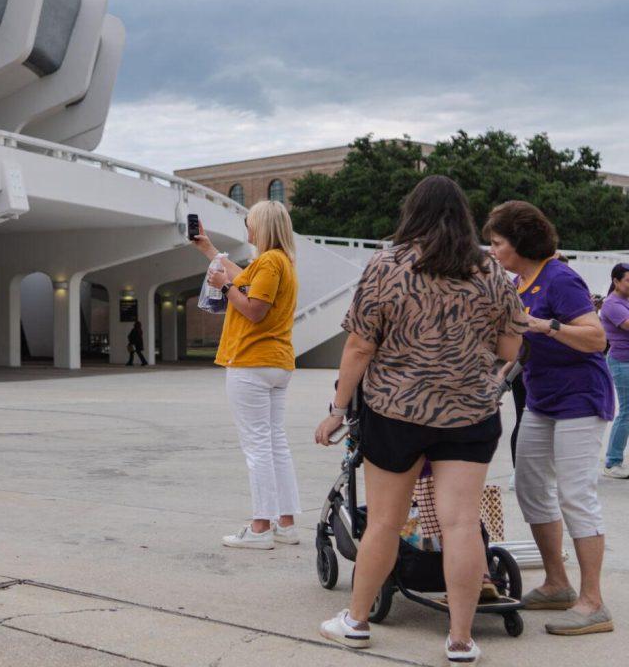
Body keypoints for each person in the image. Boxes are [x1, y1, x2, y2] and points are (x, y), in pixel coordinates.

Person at [315, 176, 526, 664]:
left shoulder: (386, 265)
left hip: (396, 412)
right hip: (469, 414)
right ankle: (459, 639)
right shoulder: (489, 271)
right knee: (460, 524)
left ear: (413, 212)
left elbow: (360, 345)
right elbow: (511, 347)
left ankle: (356, 621)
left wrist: (338, 409)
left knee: (385, 523)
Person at [485, 201, 614, 636]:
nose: (493, 249)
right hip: (542, 399)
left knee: (576, 494)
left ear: (519, 243)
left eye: (498, 242)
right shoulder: (520, 282)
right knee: (529, 483)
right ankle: (558, 583)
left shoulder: (560, 278)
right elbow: (522, 345)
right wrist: (500, 377)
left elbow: (595, 338)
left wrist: (547, 327)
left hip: (580, 399)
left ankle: (593, 602)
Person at [192, 200, 299, 550]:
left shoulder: (268, 261)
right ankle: (285, 522)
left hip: (251, 360)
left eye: (251, 223)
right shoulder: (281, 262)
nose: (248, 230)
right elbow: (244, 280)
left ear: (263, 226)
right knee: (275, 443)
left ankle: (260, 527)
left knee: (257, 447)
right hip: (276, 363)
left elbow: (253, 310)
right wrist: (209, 250)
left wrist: (224, 288)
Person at [600, 263, 629, 478]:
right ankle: (612, 462)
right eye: (628, 280)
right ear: (616, 281)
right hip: (622, 362)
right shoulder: (612, 304)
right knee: (627, 412)